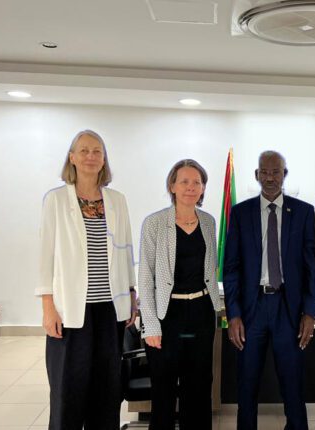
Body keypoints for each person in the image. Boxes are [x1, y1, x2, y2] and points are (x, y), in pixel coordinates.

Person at [37, 129, 137, 430]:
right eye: (84, 151)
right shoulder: (56, 200)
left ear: (104, 159)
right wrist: (48, 307)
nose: (90, 156)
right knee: (68, 389)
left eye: (97, 151)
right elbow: (45, 255)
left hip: (109, 308)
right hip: (70, 311)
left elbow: (126, 249)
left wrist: (131, 295)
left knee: (106, 389)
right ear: (72, 157)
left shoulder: (117, 200)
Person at [223, 150, 315, 430]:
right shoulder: (241, 213)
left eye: (276, 172)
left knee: (293, 384)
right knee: (247, 385)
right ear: (257, 175)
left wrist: (309, 312)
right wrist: (234, 314)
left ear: (284, 174)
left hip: (288, 309)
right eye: (264, 172)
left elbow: (310, 267)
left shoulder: (303, 212)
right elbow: (231, 268)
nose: (270, 177)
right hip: (251, 310)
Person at [137, 159, 222, 430]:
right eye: (184, 181)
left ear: (203, 188)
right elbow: (145, 277)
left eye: (197, 182)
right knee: (163, 387)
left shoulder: (208, 222)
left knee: (198, 387)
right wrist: (150, 325)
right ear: (172, 186)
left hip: (200, 313)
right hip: (167, 316)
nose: (191, 187)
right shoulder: (154, 223)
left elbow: (210, 270)